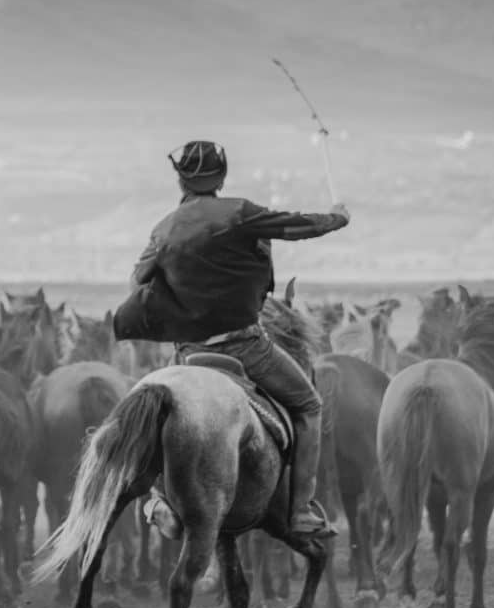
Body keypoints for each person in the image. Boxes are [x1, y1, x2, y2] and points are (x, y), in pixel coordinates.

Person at [113, 139, 350, 543]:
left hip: (187, 356)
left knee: (139, 421)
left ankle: (153, 501)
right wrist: (336, 218)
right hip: (245, 347)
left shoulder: (164, 228)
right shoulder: (240, 212)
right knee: (309, 405)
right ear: (221, 177)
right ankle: (300, 510)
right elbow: (296, 225)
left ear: (181, 179)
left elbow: (138, 282)